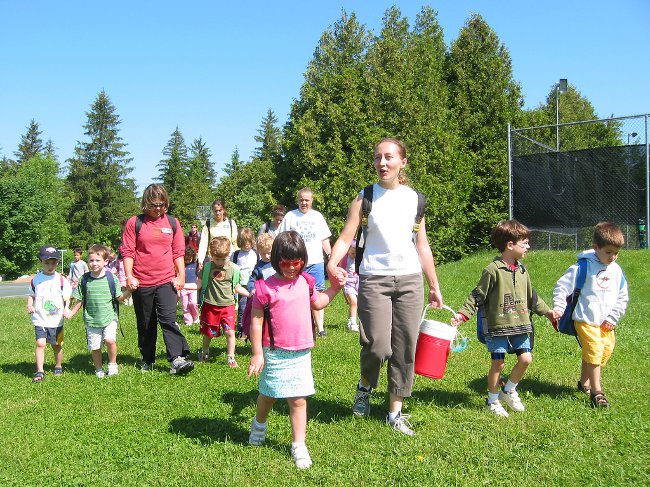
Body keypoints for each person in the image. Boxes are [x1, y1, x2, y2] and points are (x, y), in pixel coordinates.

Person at [326, 137, 443, 436]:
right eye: (378, 157)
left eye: (389, 157)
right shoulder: (365, 197)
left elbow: (423, 245)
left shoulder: (415, 199)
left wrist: (433, 285)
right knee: (377, 346)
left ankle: (395, 412)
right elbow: (344, 237)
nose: (382, 163)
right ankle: (365, 385)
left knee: (405, 347)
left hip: (410, 279)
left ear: (402, 162)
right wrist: (332, 263)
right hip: (374, 278)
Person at [247, 231, 344, 469]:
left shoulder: (306, 283)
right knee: (268, 395)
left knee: (298, 399)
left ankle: (298, 444)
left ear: (303, 260)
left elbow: (318, 303)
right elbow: (256, 322)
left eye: (297, 263)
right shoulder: (264, 288)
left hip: (301, 352)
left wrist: (335, 288)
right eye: (285, 263)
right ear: (276, 260)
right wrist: (257, 353)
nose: (291, 268)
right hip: (275, 351)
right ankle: (259, 424)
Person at [451, 220, 558, 417]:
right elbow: (477, 295)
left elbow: (531, 297)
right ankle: (492, 401)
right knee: (498, 364)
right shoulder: (492, 270)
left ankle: (508, 390)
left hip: (521, 324)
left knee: (526, 359)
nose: (528, 247)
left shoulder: (522, 270)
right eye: (524, 243)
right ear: (510, 245)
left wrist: (548, 312)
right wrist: (462, 314)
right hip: (498, 327)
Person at [552, 222, 629, 409]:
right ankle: (597, 392)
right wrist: (559, 308)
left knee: (605, 350)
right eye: (608, 252)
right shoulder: (582, 266)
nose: (613, 257)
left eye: (616, 253)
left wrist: (612, 318)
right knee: (594, 350)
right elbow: (562, 287)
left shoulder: (617, 271)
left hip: (605, 322)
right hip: (585, 319)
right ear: (596, 248)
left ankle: (583, 383)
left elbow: (623, 296)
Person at [121, 183, 194, 375]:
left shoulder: (172, 223)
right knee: (146, 323)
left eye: (162, 204)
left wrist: (181, 276)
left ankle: (177, 359)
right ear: (146, 203)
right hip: (142, 281)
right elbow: (128, 252)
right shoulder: (134, 223)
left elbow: (178, 252)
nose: (158, 208)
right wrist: (129, 276)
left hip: (166, 280)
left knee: (169, 319)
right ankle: (147, 358)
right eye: (154, 204)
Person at [65, 244, 131, 378]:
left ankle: (112, 364)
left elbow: (119, 297)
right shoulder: (84, 279)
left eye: (98, 260)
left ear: (106, 261)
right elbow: (80, 300)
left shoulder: (111, 278)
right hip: (91, 320)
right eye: (91, 260)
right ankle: (98, 369)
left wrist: (129, 291)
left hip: (109, 317)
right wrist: (71, 312)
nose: (94, 263)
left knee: (110, 340)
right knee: (95, 347)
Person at [279, 188, 331, 337]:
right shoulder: (290, 216)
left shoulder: (317, 217)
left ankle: (320, 329)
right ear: (298, 200)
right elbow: (282, 239)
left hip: (315, 262)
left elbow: (324, 239)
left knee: (317, 294)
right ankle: (298, 325)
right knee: (294, 294)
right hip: (296, 262)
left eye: (307, 200)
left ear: (312, 200)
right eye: (301, 200)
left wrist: (330, 255)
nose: (304, 203)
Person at [198, 236, 250, 366]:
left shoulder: (234, 269)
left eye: (223, 259)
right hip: (210, 306)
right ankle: (205, 351)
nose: (220, 262)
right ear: (211, 255)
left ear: (229, 255)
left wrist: (250, 295)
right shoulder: (208, 267)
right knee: (209, 333)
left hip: (228, 307)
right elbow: (199, 285)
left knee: (230, 332)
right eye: (217, 259)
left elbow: (237, 287)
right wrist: (182, 285)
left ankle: (231, 357)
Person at [27, 246, 72, 382]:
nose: (50, 265)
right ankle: (40, 370)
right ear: (41, 261)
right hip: (40, 318)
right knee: (40, 343)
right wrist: (29, 304)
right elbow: (31, 295)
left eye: (53, 262)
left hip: (56, 320)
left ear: (57, 262)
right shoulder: (36, 279)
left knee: (56, 345)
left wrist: (66, 308)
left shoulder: (61, 280)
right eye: (47, 262)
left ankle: (58, 365)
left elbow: (67, 297)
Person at [232, 227, 259, 337]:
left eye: (248, 242)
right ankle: (241, 329)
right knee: (242, 308)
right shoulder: (236, 254)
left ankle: (252, 329)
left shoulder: (256, 254)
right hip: (241, 285)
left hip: (253, 285)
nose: (246, 245)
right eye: (244, 243)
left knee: (254, 308)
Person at [197, 198, 238, 269]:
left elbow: (235, 242)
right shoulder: (208, 224)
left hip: (228, 259)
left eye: (220, 210)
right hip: (213, 260)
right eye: (216, 211)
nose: (218, 213)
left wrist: (237, 258)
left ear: (224, 210)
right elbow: (203, 243)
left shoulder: (231, 223)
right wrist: (200, 260)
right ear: (213, 211)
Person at [338, 240, 360, 332]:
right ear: (347, 251)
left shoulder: (360, 259)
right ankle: (353, 323)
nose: (354, 255)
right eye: (352, 253)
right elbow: (340, 270)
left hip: (359, 283)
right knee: (353, 302)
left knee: (357, 304)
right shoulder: (345, 260)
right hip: (349, 284)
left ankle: (351, 321)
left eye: (356, 253)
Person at [179, 246, 200, 326]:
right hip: (183, 287)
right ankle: (188, 321)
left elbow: (199, 273)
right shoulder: (182, 265)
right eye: (186, 259)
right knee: (185, 305)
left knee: (193, 303)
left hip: (193, 287)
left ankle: (195, 316)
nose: (187, 261)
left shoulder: (195, 264)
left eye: (189, 259)